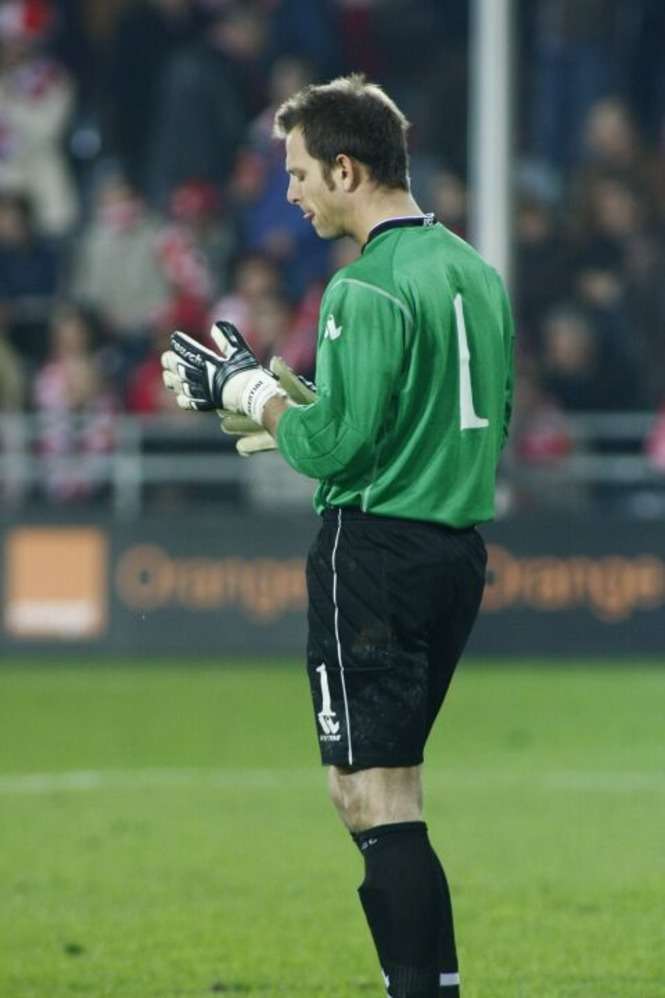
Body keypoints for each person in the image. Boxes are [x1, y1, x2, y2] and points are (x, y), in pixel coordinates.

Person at [161, 74, 514, 998]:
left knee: (373, 796)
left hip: (374, 556)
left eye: (298, 172)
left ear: (346, 170)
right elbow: (468, 417)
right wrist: (305, 402)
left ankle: (419, 988)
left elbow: (330, 451)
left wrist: (251, 394)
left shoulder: (363, 285)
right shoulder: (476, 273)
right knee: (385, 791)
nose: (291, 193)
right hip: (454, 556)